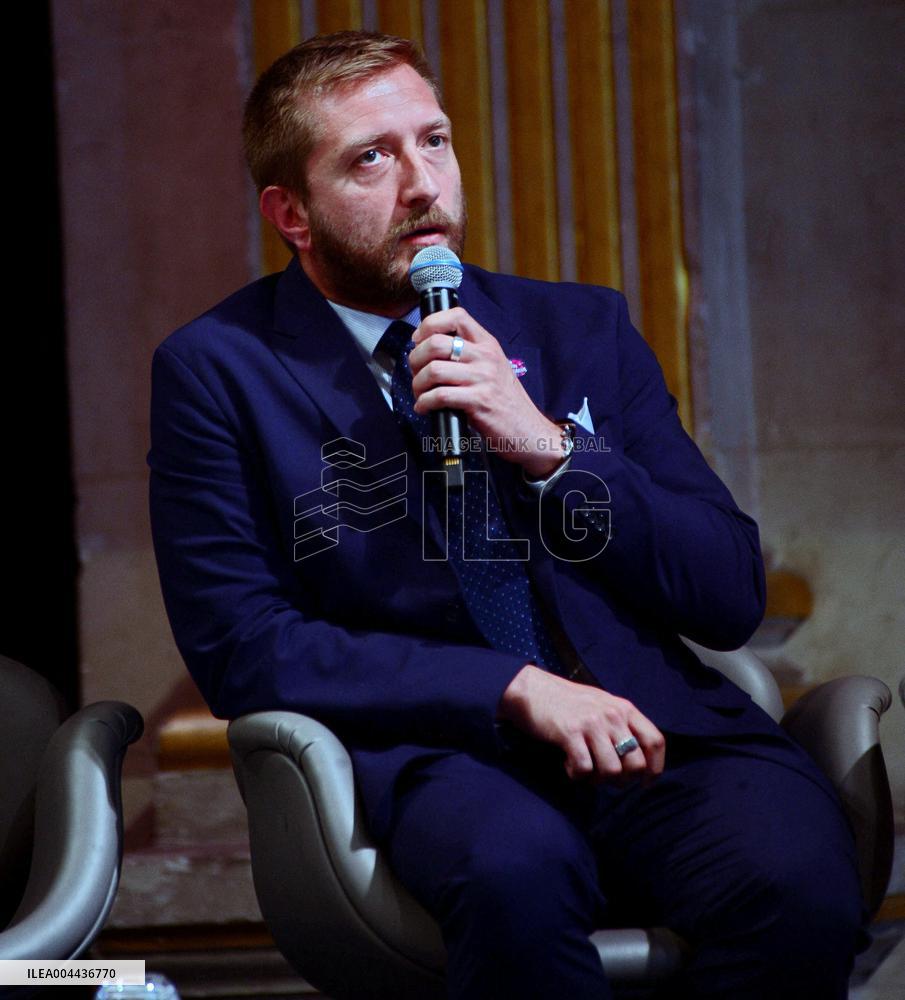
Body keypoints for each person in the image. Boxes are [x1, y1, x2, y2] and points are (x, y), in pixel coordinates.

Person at [149, 30, 864, 999]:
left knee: (796, 878)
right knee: (514, 874)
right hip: (442, 751)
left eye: (433, 141)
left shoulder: (580, 327)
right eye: (371, 157)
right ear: (292, 213)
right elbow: (245, 645)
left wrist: (545, 448)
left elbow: (727, 589)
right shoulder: (219, 372)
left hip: (650, 729)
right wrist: (508, 686)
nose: (421, 185)